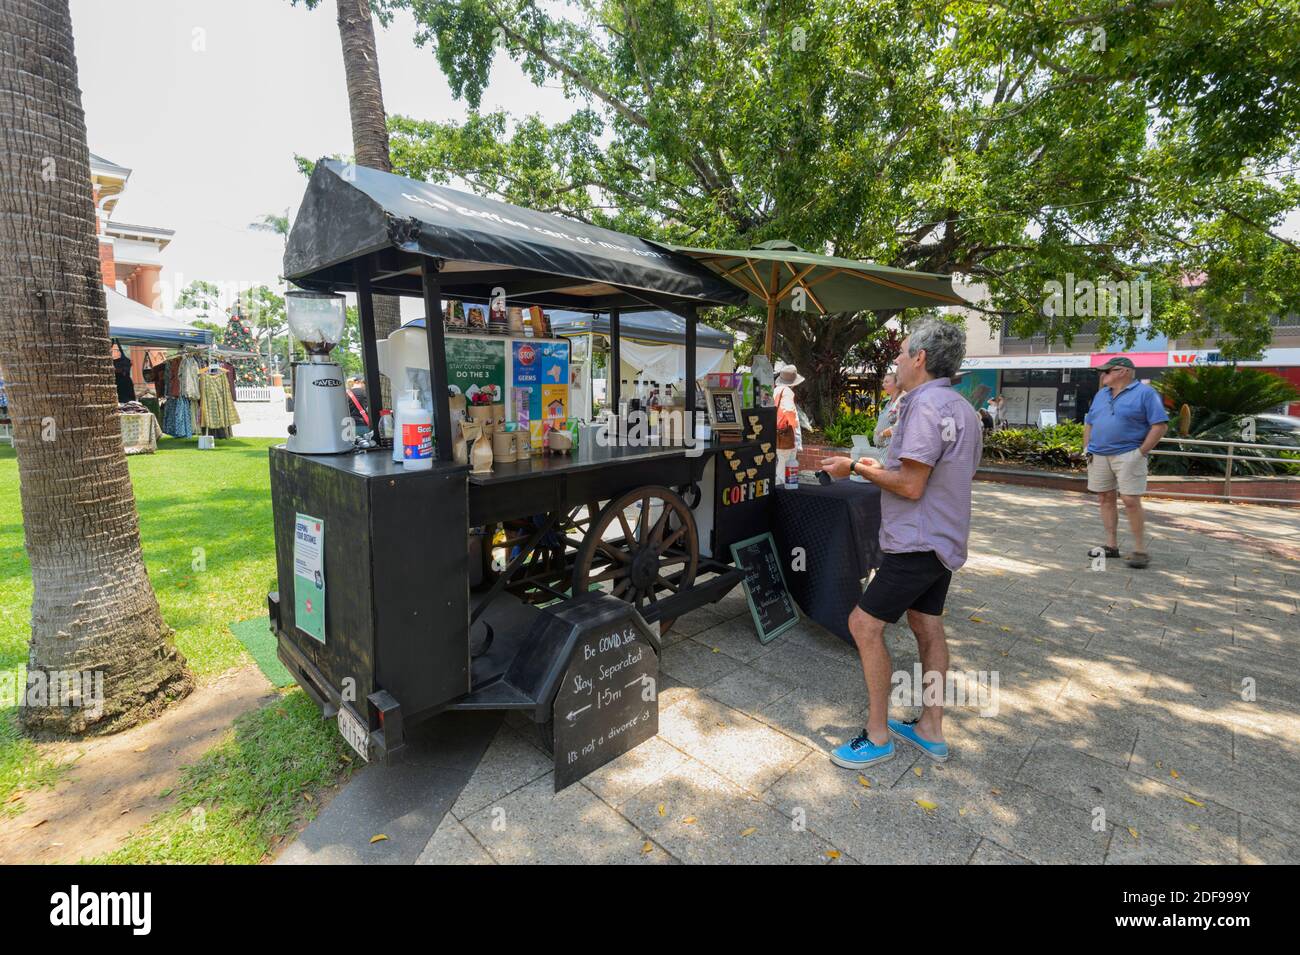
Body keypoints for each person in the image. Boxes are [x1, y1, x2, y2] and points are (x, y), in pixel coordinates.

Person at [819, 318, 982, 769]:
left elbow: (911, 486)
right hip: (944, 539)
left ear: (920, 358)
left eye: (901, 353)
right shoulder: (962, 407)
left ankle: (877, 735)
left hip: (916, 541)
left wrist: (855, 468)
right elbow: (947, 473)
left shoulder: (923, 406)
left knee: (863, 625)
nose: (896, 360)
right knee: (927, 626)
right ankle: (931, 727)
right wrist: (880, 465)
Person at [1083, 356, 1169, 569]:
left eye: (1107, 371)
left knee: (1130, 500)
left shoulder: (1146, 394)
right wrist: (1087, 447)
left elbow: (1159, 425)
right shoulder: (1101, 394)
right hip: (1098, 454)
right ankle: (1111, 545)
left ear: (1123, 371)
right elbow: (1089, 422)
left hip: (1128, 454)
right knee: (1105, 498)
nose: (1103, 375)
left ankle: (1140, 549)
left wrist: (1140, 453)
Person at [773, 363, 804, 477]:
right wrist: (794, 426)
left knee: (781, 463)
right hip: (786, 432)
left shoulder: (776, 390)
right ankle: (782, 489)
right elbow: (789, 410)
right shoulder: (787, 392)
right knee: (786, 464)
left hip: (777, 431)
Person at [873, 372, 903, 447]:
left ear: (897, 383)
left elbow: (901, 425)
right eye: (883, 382)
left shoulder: (902, 400)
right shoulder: (888, 403)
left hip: (892, 447)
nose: (883, 385)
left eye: (886, 382)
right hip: (882, 448)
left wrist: (883, 434)